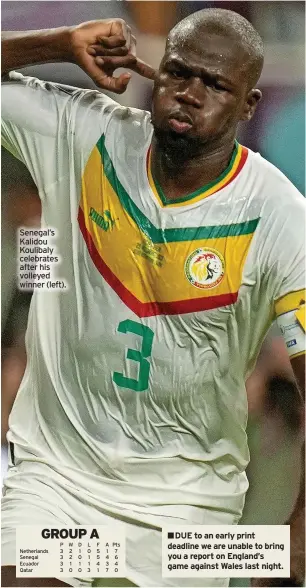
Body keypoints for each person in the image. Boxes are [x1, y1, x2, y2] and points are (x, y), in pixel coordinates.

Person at [1, 8, 305, 588]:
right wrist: (60, 42)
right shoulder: (80, 133)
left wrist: (298, 531)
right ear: (152, 71)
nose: (189, 94)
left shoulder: (281, 218)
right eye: (178, 73)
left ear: (249, 105)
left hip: (188, 518)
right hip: (61, 490)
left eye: (215, 85)